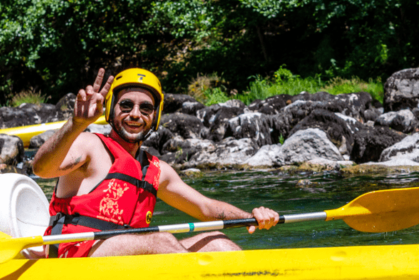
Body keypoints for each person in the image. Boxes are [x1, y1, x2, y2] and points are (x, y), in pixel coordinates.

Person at [32, 67, 280, 257]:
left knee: (218, 243)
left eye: (146, 108)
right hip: (73, 256)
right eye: (126, 105)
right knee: (160, 241)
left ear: (156, 115)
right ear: (111, 109)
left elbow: (205, 208)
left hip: (125, 261)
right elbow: (41, 169)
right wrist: (75, 124)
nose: (135, 114)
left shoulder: (156, 170)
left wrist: (251, 216)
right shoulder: (89, 145)